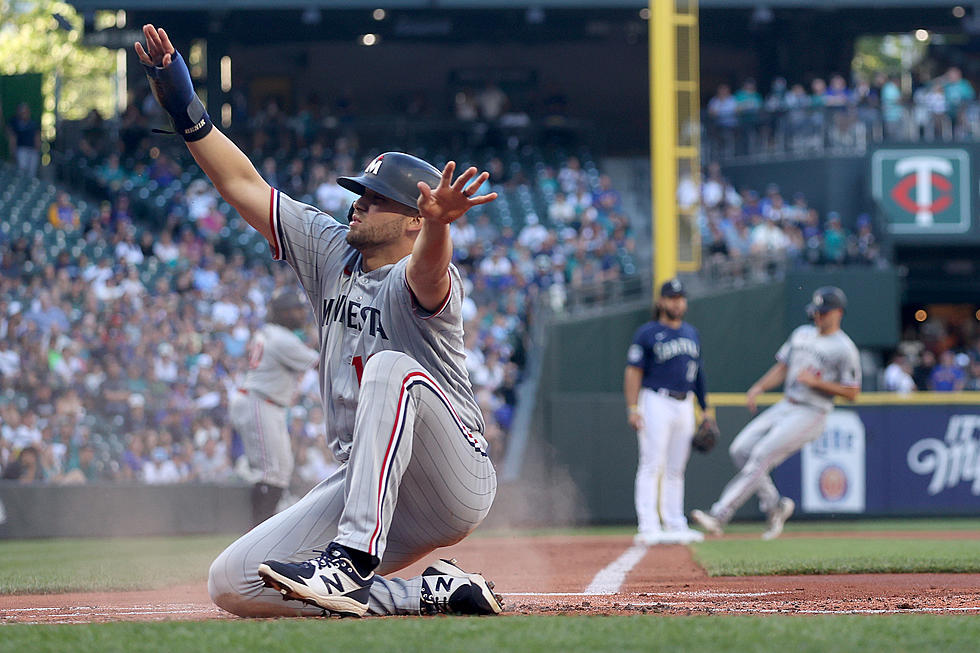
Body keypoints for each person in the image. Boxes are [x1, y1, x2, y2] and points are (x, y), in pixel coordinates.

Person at [135, 24, 501, 618]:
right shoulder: (330, 250)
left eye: (377, 198)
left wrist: (439, 227)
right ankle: (430, 594)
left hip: (452, 476)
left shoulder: (425, 277)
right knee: (232, 582)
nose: (359, 202)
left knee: (390, 368)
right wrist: (182, 102)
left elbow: (430, 271)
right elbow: (242, 184)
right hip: (370, 483)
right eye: (360, 191)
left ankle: (350, 561)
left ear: (413, 221)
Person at [690, 286, 861, 540]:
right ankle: (775, 505)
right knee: (741, 450)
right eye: (815, 312)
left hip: (813, 411)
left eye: (823, 312)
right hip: (786, 404)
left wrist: (817, 383)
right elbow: (783, 368)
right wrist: (759, 386)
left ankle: (720, 514)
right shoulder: (802, 333)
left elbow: (852, 392)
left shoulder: (844, 348)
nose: (818, 317)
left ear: (838, 312)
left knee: (762, 454)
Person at [624, 279, 711, 546]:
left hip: (684, 403)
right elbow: (633, 371)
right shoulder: (647, 333)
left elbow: (698, 375)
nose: (677, 302)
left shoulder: (691, 333)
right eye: (672, 298)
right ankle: (648, 525)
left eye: (681, 298)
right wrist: (633, 407)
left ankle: (675, 523)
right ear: (661, 301)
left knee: (676, 468)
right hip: (655, 399)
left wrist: (705, 410)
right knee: (652, 464)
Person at [230, 288, 319, 527]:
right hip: (260, 402)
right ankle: (255, 535)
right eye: (296, 310)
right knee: (270, 472)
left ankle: (263, 532)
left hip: (265, 402)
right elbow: (320, 364)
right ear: (284, 313)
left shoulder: (270, 332)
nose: (302, 314)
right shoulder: (282, 339)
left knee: (281, 470)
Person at [7, 102, 41, 177]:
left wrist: (38, 149)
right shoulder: (15, 123)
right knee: (22, 170)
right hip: (21, 150)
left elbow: (37, 137)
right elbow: (12, 138)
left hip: (33, 150)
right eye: (22, 111)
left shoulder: (33, 123)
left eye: (25, 111)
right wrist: (12, 151)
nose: (24, 113)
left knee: (32, 172)